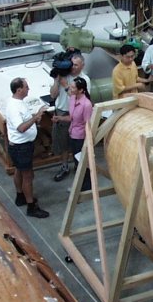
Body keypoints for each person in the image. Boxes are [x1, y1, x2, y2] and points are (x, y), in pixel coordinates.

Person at [6, 77, 49, 218]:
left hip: (21, 146)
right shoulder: (14, 107)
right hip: (21, 147)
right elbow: (22, 128)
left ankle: (20, 196)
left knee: (19, 170)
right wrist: (36, 117)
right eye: (26, 87)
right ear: (19, 90)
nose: (28, 89)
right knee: (28, 176)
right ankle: (31, 207)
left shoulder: (18, 102)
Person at [50, 53, 91, 182]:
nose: (72, 67)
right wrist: (57, 80)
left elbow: (80, 98)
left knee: (76, 145)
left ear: (82, 66)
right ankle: (64, 166)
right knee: (62, 143)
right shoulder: (63, 75)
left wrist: (66, 85)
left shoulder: (84, 80)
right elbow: (53, 95)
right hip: (61, 111)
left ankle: (79, 168)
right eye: (71, 64)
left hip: (75, 116)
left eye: (76, 65)